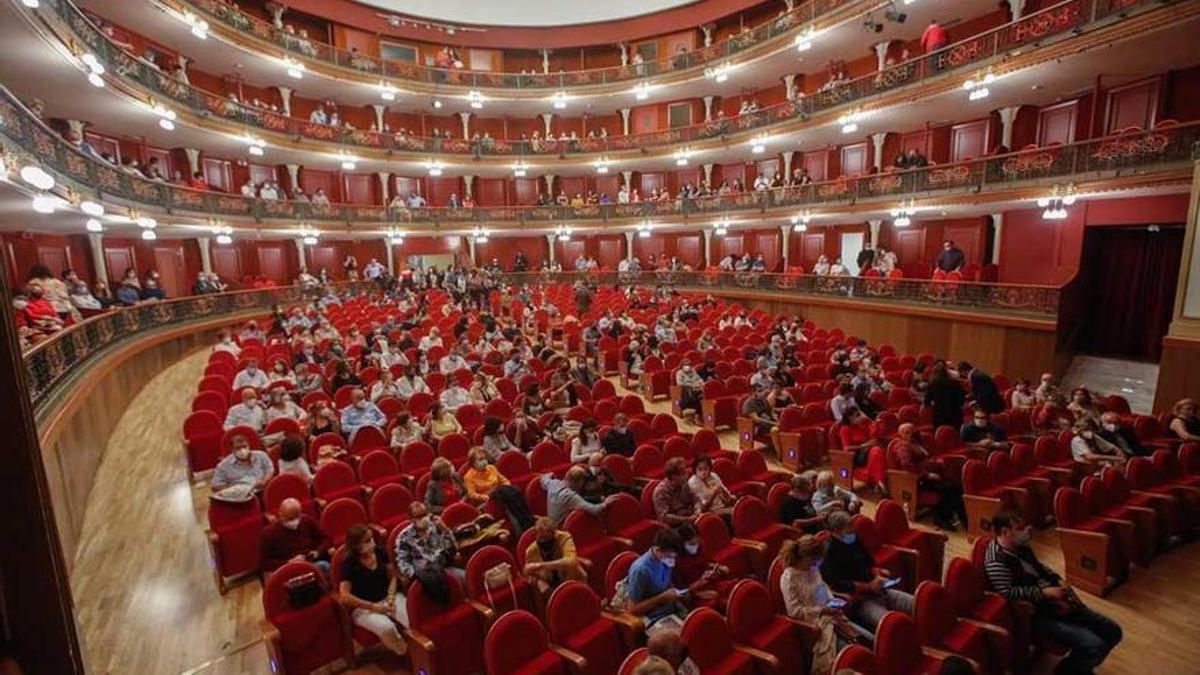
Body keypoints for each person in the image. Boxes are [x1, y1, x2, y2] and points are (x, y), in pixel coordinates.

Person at [984, 511, 1122, 673]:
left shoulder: (1019, 545)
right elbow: (1007, 592)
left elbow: (1039, 567)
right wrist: (1045, 593)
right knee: (1093, 645)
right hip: (1036, 612)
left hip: (1056, 600)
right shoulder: (996, 560)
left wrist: (1058, 579)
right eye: (1019, 528)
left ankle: (1080, 668)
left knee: (1113, 631)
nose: (1026, 530)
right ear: (1005, 532)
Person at [821, 510, 914, 631]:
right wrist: (869, 587)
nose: (852, 531)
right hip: (861, 601)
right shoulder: (828, 553)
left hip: (879, 590)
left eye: (852, 527)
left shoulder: (854, 539)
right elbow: (838, 583)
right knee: (891, 625)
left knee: (916, 604)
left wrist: (878, 572)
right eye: (848, 530)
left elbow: (868, 561)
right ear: (835, 531)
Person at [779, 535, 860, 673]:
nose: (817, 564)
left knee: (863, 640)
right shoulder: (789, 578)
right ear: (805, 557)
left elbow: (823, 587)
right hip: (814, 624)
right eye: (815, 560)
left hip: (830, 615)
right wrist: (822, 610)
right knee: (850, 655)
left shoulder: (813, 568)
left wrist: (832, 601)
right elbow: (794, 612)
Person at [339, 524, 408, 656]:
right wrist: (372, 606)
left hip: (387, 597)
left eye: (371, 538)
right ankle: (405, 652)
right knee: (387, 628)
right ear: (357, 546)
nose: (372, 542)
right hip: (363, 607)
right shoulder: (348, 563)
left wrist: (391, 596)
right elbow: (344, 596)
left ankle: (420, 654)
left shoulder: (380, 552)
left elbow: (393, 576)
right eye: (367, 540)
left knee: (410, 618)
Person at [889, 423, 966, 530]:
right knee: (947, 490)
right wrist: (927, 475)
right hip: (919, 480)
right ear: (900, 434)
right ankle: (941, 519)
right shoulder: (903, 446)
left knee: (956, 488)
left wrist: (936, 461)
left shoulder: (916, 442)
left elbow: (927, 457)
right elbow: (907, 465)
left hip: (932, 475)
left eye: (913, 431)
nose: (911, 434)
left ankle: (962, 520)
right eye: (907, 432)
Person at [625, 529, 687, 629]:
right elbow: (632, 610)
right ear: (657, 550)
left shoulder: (666, 559)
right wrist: (661, 598)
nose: (672, 560)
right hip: (652, 618)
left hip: (671, 609)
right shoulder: (641, 570)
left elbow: (667, 584)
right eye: (669, 556)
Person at [261, 498, 330, 576]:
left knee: (324, 566)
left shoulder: (307, 521)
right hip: (287, 570)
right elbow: (264, 563)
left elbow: (325, 538)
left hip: (310, 563)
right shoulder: (269, 533)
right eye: (289, 519)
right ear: (280, 514)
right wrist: (289, 562)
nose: (293, 522)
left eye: (296, 518)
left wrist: (317, 551)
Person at [522, 516, 588, 593]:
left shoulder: (565, 537)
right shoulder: (531, 551)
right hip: (549, 587)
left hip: (573, 580)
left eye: (546, 538)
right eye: (540, 538)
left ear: (554, 533)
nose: (544, 541)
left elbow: (570, 562)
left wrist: (541, 565)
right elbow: (527, 573)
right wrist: (538, 581)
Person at [837, 409, 888, 493]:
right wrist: (863, 446)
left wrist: (872, 441)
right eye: (857, 415)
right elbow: (846, 448)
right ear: (850, 419)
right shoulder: (845, 429)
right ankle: (880, 483)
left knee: (877, 451)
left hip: (868, 451)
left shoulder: (861, 426)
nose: (860, 417)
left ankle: (880, 483)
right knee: (876, 451)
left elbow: (872, 436)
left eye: (860, 414)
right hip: (857, 456)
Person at [541, 466, 611, 526]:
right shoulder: (571, 496)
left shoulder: (553, 483)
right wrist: (606, 502)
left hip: (551, 524)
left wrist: (551, 474)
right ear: (578, 482)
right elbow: (595, 510)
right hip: (561, 530)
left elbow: (543, 479)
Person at [653, 458, 701, 526]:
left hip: (689, 517)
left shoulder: (683, 483)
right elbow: (664, 517)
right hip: (675, 526)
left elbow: (695, 498)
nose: (687, 475)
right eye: (683, 473)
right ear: (674, 477)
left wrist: (697, 510)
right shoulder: (661, 492)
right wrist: (686, 519)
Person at [924, 363, 966, 429]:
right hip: (955, 415)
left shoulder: (932, 384)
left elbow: (926, 402)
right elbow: (962, 399)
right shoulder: (955, 383)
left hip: (939, 416)